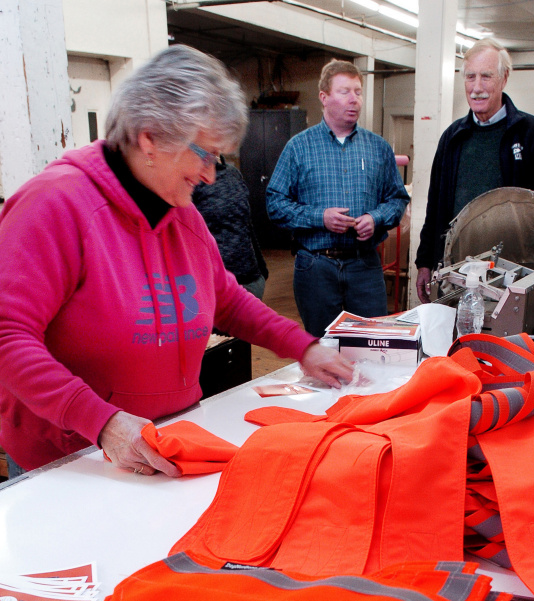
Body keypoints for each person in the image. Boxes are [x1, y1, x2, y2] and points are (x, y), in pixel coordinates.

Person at [0, 45, 352, 478]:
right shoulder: (55, 206)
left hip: (168, 443)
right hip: (74, 459)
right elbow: (8, 336)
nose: (210, 173)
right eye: (203, 153)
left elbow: (225, 299)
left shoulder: (178, 210)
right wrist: (101, 421)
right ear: (149, 137)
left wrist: (304, 346)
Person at [265, 59, 410, 337]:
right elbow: (275, 204)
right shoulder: (298, 147)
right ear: (324, 97)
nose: (354, 99)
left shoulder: (378, 148)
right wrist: (320, 218)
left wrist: (375, 218)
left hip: (364, 266)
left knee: (373, 344)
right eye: (345, 91)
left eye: (358, 91)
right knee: (322, 347)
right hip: (316, 267)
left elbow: (397, 199)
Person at [415, 38, 534, 304]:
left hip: (513, 275)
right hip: (457, 273)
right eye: (470, 77)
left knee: (505, 342)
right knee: (456, 342)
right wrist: (425, 262)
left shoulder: (532, 133)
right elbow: (435, 206)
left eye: (486, 76)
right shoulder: (452, 138)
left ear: (504, 79)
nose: (477, 87)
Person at [192, 157, 268, 300]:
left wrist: (261, 270)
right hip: (215, 285)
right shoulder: (192, 178)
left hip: (250, 280)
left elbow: (246, 223)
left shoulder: (233, 173)